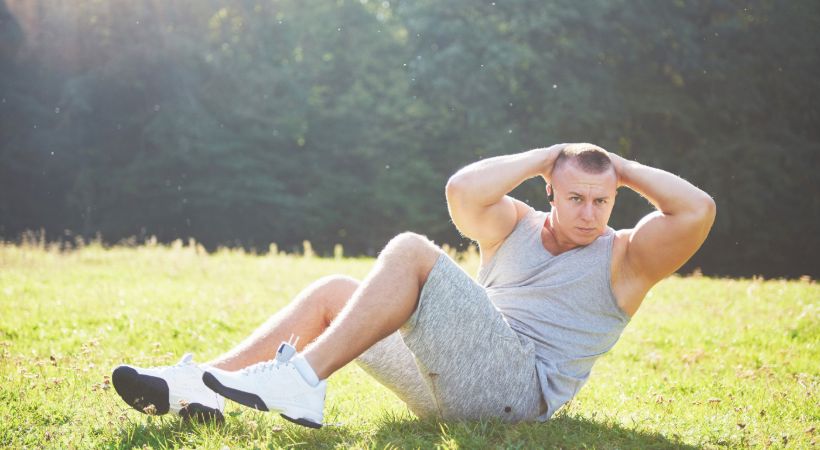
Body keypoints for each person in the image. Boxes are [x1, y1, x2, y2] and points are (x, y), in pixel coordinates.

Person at [111, 143, 716, 428]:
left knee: (409, 252)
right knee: (334, 292)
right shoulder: (516, 226)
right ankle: (201, 386)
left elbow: (697, 211)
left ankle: (300, 381)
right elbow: (460, 191)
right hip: (450, 379)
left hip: (517, 393)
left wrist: (618, 165)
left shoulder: (627, 258)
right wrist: (547, 156)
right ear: (550, 191)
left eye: (602, 201)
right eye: (576, 197)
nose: (590, 213)